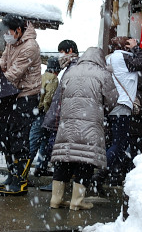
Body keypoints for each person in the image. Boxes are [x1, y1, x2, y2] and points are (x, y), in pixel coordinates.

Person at [49, 46, 118, 211]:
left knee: (64, 159)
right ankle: (76, 201)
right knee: (84, 160)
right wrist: (101, 109)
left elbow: (60, 95)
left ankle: (55, 199)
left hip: (67, 122)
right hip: (90, 124)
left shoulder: (71, 72)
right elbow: (112, 100)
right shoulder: (103, 74)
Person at [0, 14, 42, 196]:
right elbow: (3, 64)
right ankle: (11, 175)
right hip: (11, 94)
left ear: (19, 30)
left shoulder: (30, 47)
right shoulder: (11, 42)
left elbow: (13, 74)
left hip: (27, 97)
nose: (6, 35)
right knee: (5, 136)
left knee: (19, 138)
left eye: (8, 32)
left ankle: (20, 180)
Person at [98, 36, 142, 186]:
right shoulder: (124, 57)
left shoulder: (110, 58)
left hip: (113, 104)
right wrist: (136, 48)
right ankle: (98, 174)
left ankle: (102, 175)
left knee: (115, 142)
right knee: (119, 143)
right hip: (122, 106)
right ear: (126, 46)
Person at [37, 39, 79, 191]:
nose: (60, 56)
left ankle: (58, 184)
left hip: (61, 116)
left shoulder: (72, 68)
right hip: (62, 116)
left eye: (61, 52)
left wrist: (51, 112)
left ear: (69, 51)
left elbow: (55, 97)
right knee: (55, 149)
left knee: (55, 149)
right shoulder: (72, 68)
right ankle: (60, 183)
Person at [29, 56, 60, 178]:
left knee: (41, 141)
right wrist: (49, 114)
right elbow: (48, 99)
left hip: (36, 113)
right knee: (41, 143)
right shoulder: (53, 79)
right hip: (44, 114)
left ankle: (37, 168)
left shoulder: (42, 77)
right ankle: (28, 171)